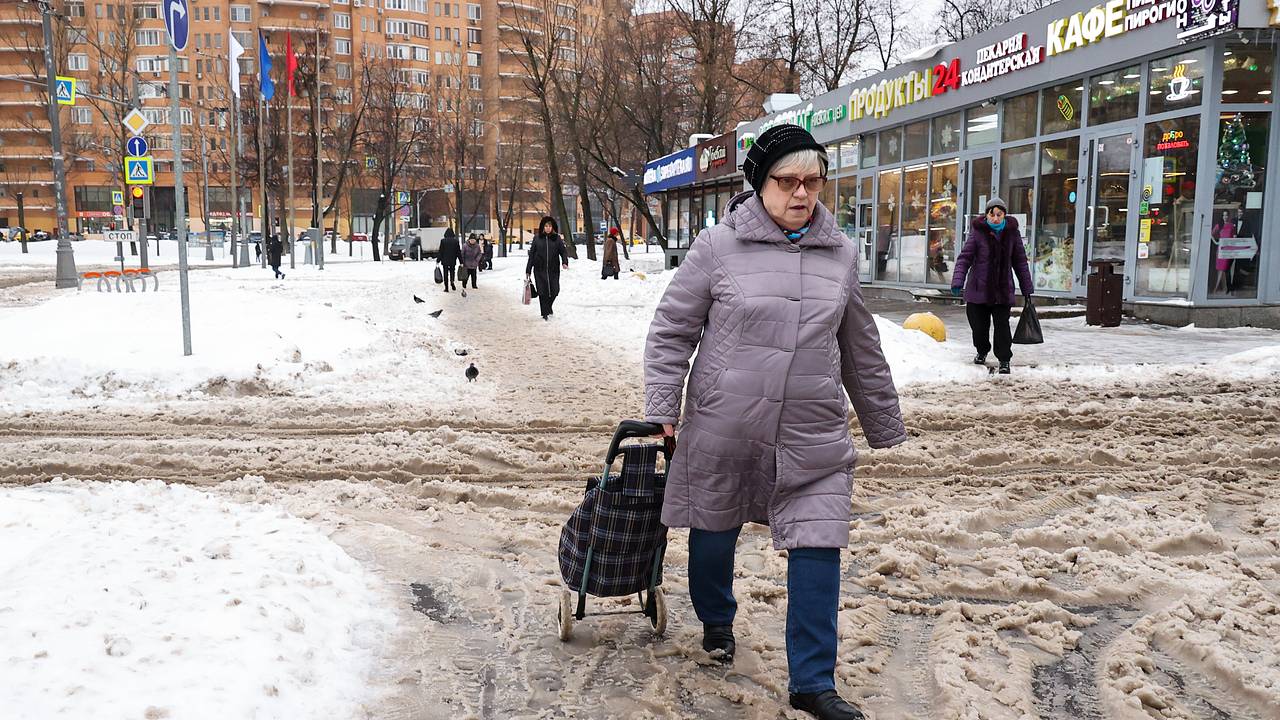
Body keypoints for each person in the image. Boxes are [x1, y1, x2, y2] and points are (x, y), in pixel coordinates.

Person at [644, 124, 907, 720]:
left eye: (812, 181)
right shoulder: (717, 247)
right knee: (714, 536)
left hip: (813, 431)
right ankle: (716, 616)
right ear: (759, 184)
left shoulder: (840, 253)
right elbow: (672, 332)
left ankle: (812, 682)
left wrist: (882, 420)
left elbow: (860, 345)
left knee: (821, 545)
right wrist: (664, 409)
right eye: (787, 181)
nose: (801, 193)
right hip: (725, 425)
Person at [950, 198, 1033, 374]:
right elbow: (965, 258)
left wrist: (1026, 288)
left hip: (1002, 291)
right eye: (992, 214)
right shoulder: (978, 232)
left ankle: (1004, 359)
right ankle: (982, 350)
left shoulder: (1012, 233)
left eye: (999, 214)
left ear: (1004, 215)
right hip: (978, 289)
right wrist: (958, 280)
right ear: (986, 215)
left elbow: (1020, 262)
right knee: (979, 326)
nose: (995, 218)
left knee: (1002, 326)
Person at [525, 216, 569, 320]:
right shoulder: (537, 238)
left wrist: (564, 262)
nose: (548, 228)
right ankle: (544, 313)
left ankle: (548, 307)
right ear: (543, 227)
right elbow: (531, 255)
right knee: (542, 291)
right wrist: (528, 270)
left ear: (553, 227)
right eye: (546, 226)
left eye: (550, 226)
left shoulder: (557, 238)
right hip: (539, 269)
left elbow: (563, 251)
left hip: (553, 269)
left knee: (555, 290)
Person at [437, 227, 460, 293]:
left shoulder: (443, 241)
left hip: (445, 260)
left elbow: (441, 251)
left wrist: (438, 260)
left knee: (445, 274)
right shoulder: (456, 241)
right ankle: (452, 281)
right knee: (452, 271)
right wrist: (461, 261)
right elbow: (458, 252)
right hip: (452, 260)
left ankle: (446, 288)